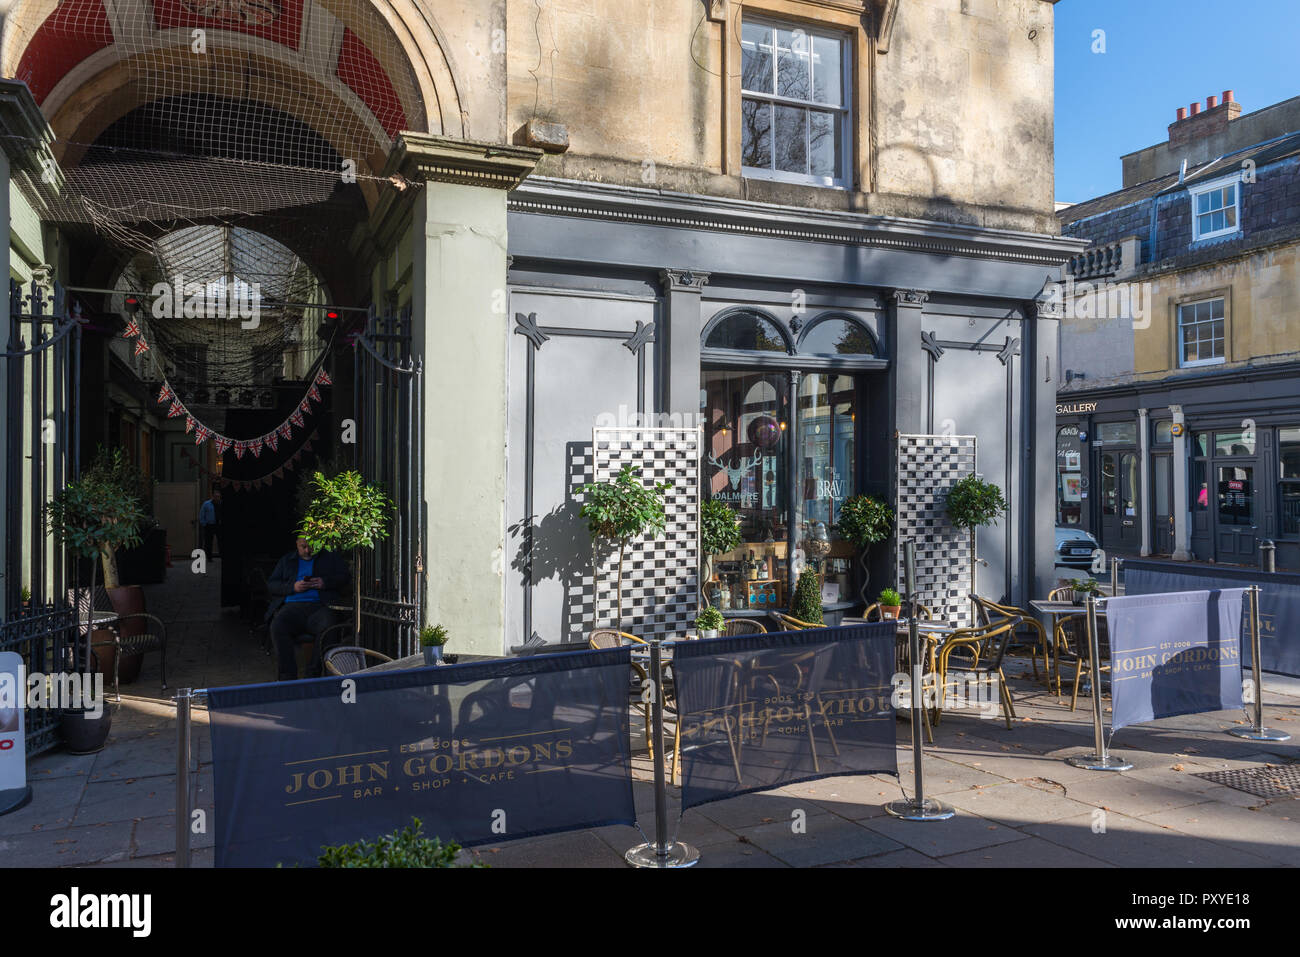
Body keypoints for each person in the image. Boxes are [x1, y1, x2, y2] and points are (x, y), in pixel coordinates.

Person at [266, 536, 351, 680]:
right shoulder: (287, 560)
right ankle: (287, 677)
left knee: (328, 627)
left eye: (311, 546)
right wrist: (292, 587)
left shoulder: (330, 557)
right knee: (278, 626)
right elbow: (272, 585)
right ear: (297, 545)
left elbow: (345, 577)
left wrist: (325, 582)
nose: (307, 551)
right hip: (293, 606)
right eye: (303, 547)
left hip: (321, 605)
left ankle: (313, 674)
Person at [198, 488, 222, 559]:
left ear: (220, 496)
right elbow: (202, 514)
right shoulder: (207, 504)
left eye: (218, 496)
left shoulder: (221, 503)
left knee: (221, 541)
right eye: (215, 496)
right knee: (208, 542)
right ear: (212, 496)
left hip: (219, 525)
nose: (217, 497)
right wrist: (204, 524)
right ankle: (209, 557)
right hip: (209, 525)